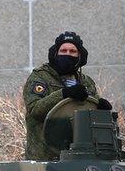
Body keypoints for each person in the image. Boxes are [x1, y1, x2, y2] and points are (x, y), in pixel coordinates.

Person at [22, 31, 113, 161]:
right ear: (55, 53)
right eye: (63, 51)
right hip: (45, 159)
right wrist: (64, 94)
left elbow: (91, 119)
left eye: (72, 51)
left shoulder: (86, 82)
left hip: (81, 157)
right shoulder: (40, 77)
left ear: (80, 56)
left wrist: (100, 108)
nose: (67, 54)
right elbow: (35, 109)